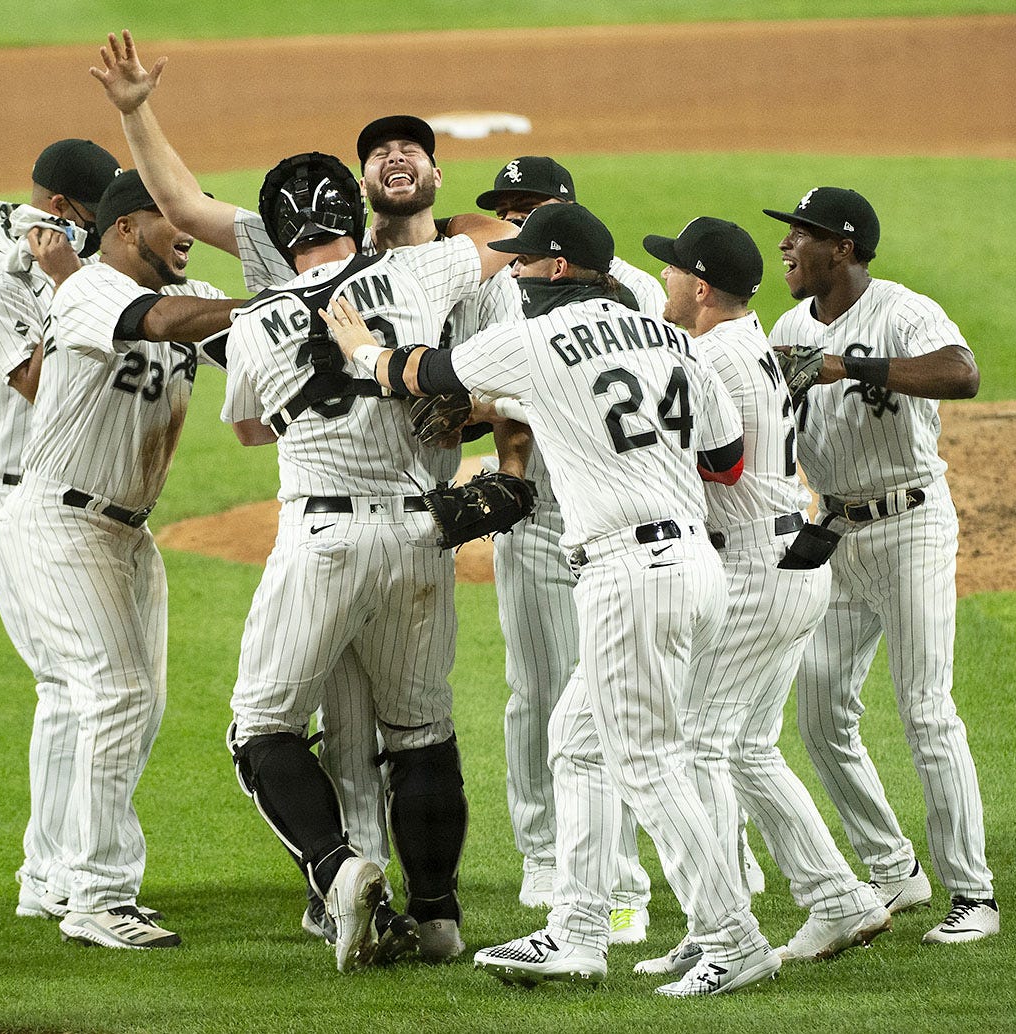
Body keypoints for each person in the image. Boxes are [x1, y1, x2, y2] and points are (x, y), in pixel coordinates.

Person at [321, 203, 781, 998]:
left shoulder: (534, 339)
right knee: (576, 739)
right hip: (694, 567)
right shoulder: (676, 340)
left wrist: (363, 350)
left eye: (524, 261)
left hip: (626, 573)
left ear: (559, 268)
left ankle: (734, 938)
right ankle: (576, 932)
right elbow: (727, 462)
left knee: (647, 761)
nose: (515, 272)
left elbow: (425, 375)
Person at [221, 151, 520, 971]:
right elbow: (514, 235)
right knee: (421, 729)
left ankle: (336, 869)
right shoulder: (419, 270)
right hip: (423, 531)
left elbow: (251, 429)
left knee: (261, 729)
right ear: (353, 216)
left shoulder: (252, 323)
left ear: (281, 238)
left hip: (322, 538)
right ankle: (438, 917)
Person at [0, 169, 245, 949]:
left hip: (127, 533)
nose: (190, 231)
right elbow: (163, 320)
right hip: (63, 523)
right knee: (116, 695)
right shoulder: (87, 292)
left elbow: (239, 344)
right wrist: (273, 306)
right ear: (127, 228)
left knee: (136, 708)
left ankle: (69, 874)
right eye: (173, 218)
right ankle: (98, 896)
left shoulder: (191, 287)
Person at [636, 216, 890, 974]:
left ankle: (723, 933)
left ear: (702, 288)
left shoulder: (705, 358)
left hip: (750, 566)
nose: (666, 283)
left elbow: (701, 468)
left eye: (675, 271)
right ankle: (838, 897)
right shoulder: (749, 344)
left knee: (699, 746)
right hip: (791, 557)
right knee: (745, 745)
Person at [764, 186, 997, 944]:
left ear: (845, 245)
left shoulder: (902, 309)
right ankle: (893, 866)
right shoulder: (788, 326)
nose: (786, 248)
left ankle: (975, 895)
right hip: (834, 532)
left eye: (801, 235)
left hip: (911, 527)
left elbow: (961, 373)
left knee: (926, 709)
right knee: (821, 713)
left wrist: (849, 367)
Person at [470, 156, 670, 936]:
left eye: (530, 206)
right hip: (540, 512)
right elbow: (494, 400)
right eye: (506, 208)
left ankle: (612, 869)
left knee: (618, 700)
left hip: (617, 516)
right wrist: (510, 470)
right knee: (538, 690)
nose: (515, 218)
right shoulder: (503, 286)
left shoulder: (641, 291)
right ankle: (545, 855)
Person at [0, 138, 122, 922]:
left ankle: (63, 864)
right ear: (59, 213)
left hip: (65, 502)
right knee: (64, 680)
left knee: (88, 684)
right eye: (94, 212)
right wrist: (72, 287)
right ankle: (46, 874)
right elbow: (45, 389)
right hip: (9, 496)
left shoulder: (67, 264)